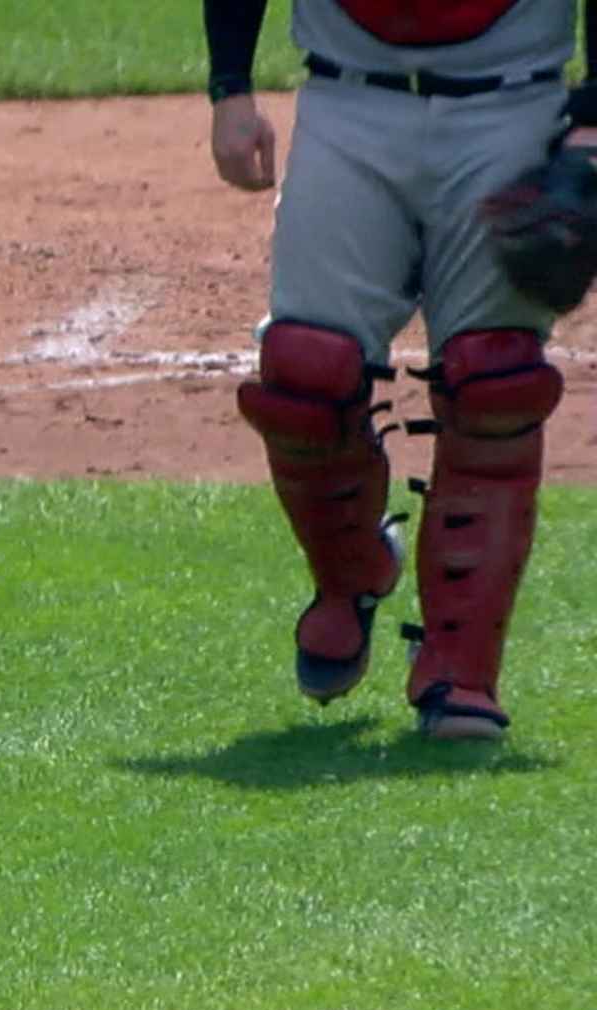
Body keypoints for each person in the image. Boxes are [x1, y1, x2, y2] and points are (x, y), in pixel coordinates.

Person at [204, 0, 591, 739]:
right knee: (304, 376)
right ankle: (350, 570)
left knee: (494, 382)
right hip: (348, 103)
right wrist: (230, 87)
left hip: (511, 107)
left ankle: (462, 668)